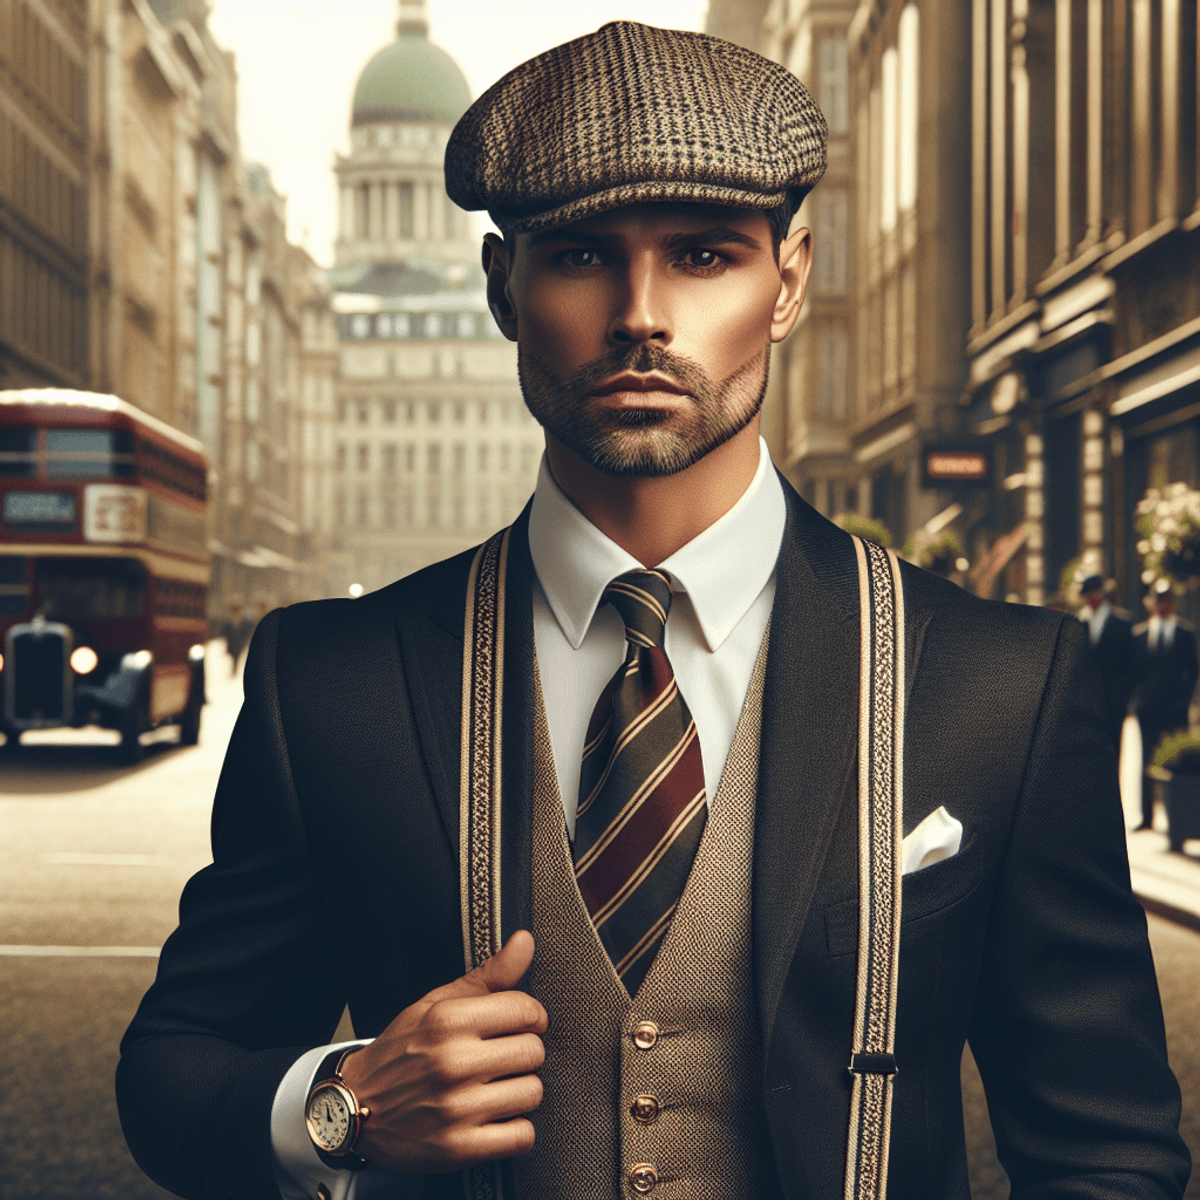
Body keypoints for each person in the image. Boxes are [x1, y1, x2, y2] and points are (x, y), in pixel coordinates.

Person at [116, 22, 1190, 1200]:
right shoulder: (332, 681)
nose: (640, 313)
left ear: (789, 282)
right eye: (581, 255)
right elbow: (176, 1069)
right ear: (502, 289)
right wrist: (343, 1105)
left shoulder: (999, 685)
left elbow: (1106, 1149)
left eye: (702, 255)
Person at [1134, 578, 1200, 830]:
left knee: (1175, 763)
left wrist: (1184, 700)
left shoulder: (1185, 633)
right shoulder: (1140, 634)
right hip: (1148, 709)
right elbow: (1135, 671)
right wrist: (1139, 699)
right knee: (1146, 760)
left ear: (1174, 603)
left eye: (1168, 600)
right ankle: (1146, 817)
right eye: (1159, 600)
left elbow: (1192, 670)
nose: (1163, 605)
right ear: (1152, 603)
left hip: (1175, 709)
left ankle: (1177, 822)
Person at [1077, 573, 1135, 749]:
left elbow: (1131, 663)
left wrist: (1125, 696)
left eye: (1094, 592)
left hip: (1114, 700)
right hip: (1086, 702)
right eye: (1087, 594)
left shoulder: (1122, 623)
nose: (1091, 597)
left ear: (1102, 592)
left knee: (1113, 745)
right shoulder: (1076, 623)